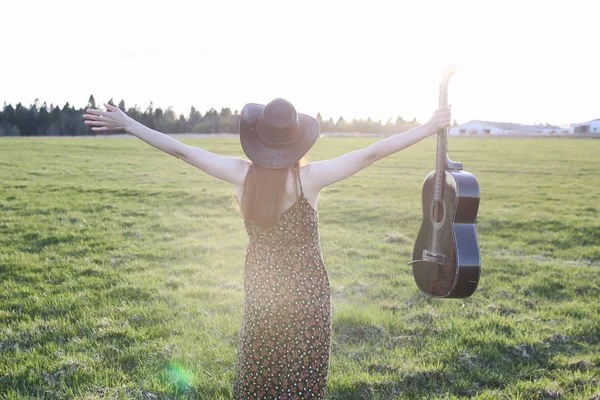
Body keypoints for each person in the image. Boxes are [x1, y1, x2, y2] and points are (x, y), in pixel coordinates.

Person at [82, 98, 451, 399]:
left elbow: (183, 151)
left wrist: (130, 124)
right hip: (307, 295)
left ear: (257, 140)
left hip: (262, 292)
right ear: (298, 141)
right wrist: (428, 127)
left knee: (260, 376)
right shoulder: (309, 179)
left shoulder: (242, 175)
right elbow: (371, 153)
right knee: (299, 380)